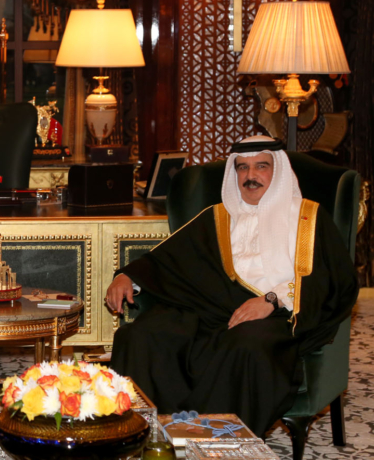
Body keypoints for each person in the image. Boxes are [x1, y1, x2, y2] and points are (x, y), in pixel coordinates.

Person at [105, 136, 358, 437]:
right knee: (139, 336)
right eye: (242, 168)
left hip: (276, 313)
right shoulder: (218, 216)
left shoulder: (308, 218)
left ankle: (216, 439)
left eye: (261, 166)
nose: (251, 176)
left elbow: (328, 278)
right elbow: (168, 258)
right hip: (208, 308)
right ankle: (142, 432)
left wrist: (271, 299)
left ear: (277, 170)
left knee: (245, 346)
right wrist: (127, 277)